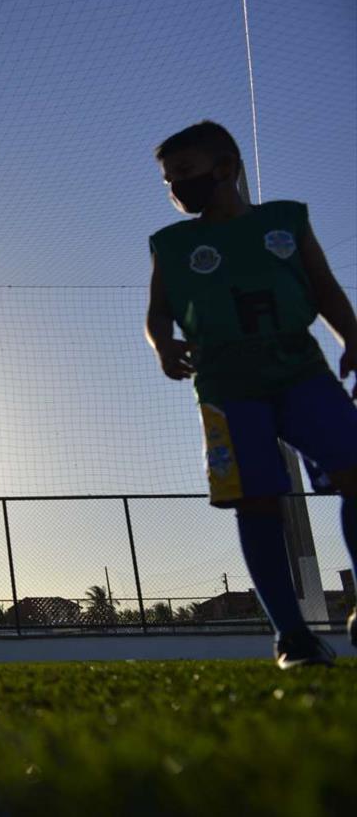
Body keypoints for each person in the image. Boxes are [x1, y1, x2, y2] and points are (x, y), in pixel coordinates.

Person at [146, 120, 357, 668]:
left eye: (186, 173)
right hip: (226, 387)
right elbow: (158, 314)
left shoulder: (285, 221)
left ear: (227, 167)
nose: (177, 188)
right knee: (257, 502)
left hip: (301, 371)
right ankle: (293, 636)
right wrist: (163, 347)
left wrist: (352, 336)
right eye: (169, 181)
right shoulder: (172, 245)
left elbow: (325, 288)